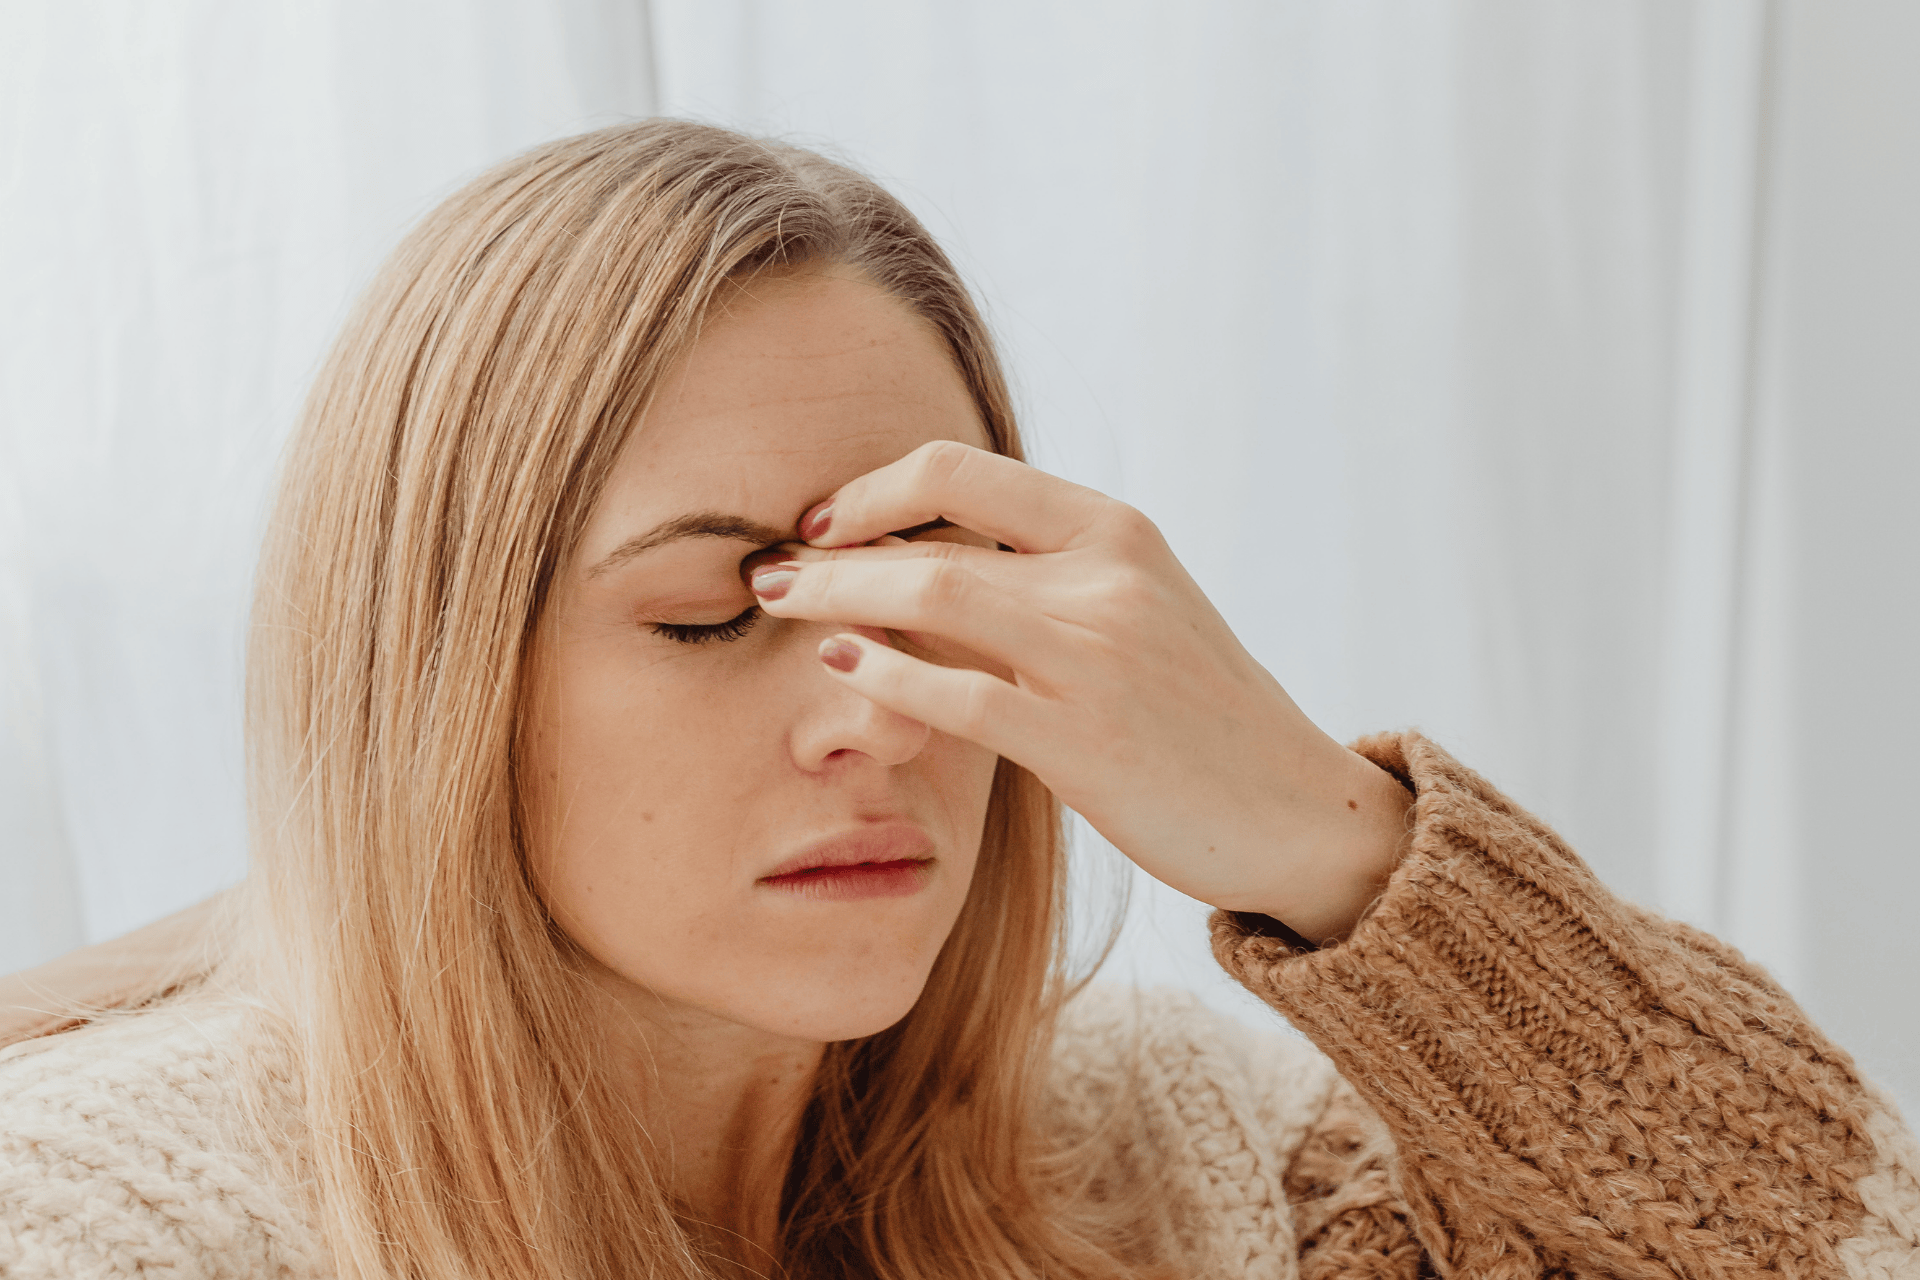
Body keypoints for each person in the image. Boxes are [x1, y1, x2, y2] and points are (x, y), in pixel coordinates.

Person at [0, 119, 1914, 1280]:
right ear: (423, 685)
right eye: (707, 614)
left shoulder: (1192, 1158)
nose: (881, 716)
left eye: (940, 593)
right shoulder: (94, 1225)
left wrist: (1333, 845)